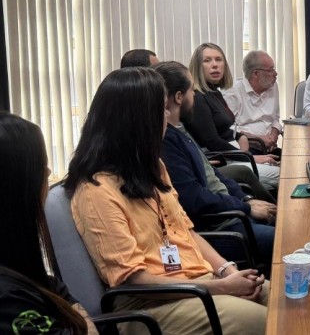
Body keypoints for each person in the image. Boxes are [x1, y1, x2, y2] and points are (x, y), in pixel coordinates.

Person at [65, 67, 268, 335]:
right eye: (160, 110)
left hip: (196, 283)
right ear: (136, 121)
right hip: (151, 305)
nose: (166, 116)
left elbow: (186, 232)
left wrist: (227, 271)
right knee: (268, 321)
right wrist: (220, 287)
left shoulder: (152, 168)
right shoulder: (96, 191)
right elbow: (134, 280)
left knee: (286, 299)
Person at [155, 61, 276, 268]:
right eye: (192, 90)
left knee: (287, 224)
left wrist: (245, 199)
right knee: (288, 239)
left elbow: (214, 175)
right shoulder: (167, 141)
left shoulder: (180, 129)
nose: (195, 95)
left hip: (232, 214)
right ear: (179, 97)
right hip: (220, 229)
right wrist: (246, 207)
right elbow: (194, 198)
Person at [0, 112, 96, 334]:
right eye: (40, 166)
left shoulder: (21, 269)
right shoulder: (8, 300)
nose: (48, 172)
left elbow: (59, 293)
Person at [182, 43, 280, 191]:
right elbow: (212, 141)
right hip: (222, 160)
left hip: (236, 154)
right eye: (207, 60)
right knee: (282, 175)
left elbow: (226, 129)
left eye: (218, 59)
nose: (214, 65)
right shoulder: (198, 97)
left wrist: (241, 137)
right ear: (197, 66)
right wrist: (248, 156)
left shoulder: (214, 92)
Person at [223, 50, 282, 155]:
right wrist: (258, 139)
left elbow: (275, 118)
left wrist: (273, 135)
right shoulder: (233, 92)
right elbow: (227, 129)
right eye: (271, 70)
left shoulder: (272, 86)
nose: (275, 74)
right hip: (246, 150)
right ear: (256, 73)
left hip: (270, 148)